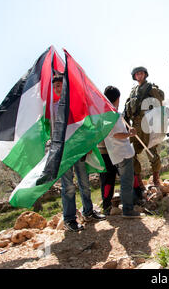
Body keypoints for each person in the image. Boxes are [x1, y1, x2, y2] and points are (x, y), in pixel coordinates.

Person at [52, 72, 106, 232]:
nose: (57, 88)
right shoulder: (52, 107)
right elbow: (53, 130)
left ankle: (88, 211)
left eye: (60, 84)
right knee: (68, 186)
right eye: (55, 86)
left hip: (79, 148)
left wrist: (87, 145)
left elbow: (83, 126)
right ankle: (69, 219)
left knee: (84, 182)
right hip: (64, 150)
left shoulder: (75, 104)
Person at [103, 86, 144, 218]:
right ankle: (127, 209)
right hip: (122, 153)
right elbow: (116, 135)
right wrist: (129, 133)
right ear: (117, 98)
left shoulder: (107, 115)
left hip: (117, 154)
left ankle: (128, 207)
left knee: (126, 182)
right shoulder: (113, 115)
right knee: (127, 182)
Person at [124, 66, 164, 190]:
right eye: (137, 74)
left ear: (145, 75)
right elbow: (127, 109)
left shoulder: (151, 88)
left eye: (141, 73)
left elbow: (159, 103)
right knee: (131, 153)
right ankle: (139, 182)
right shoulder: (132, 92)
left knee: (152, 152)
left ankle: (156, 179)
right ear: (134, 76)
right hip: (135, 126)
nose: (139, 75)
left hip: (148, 125)